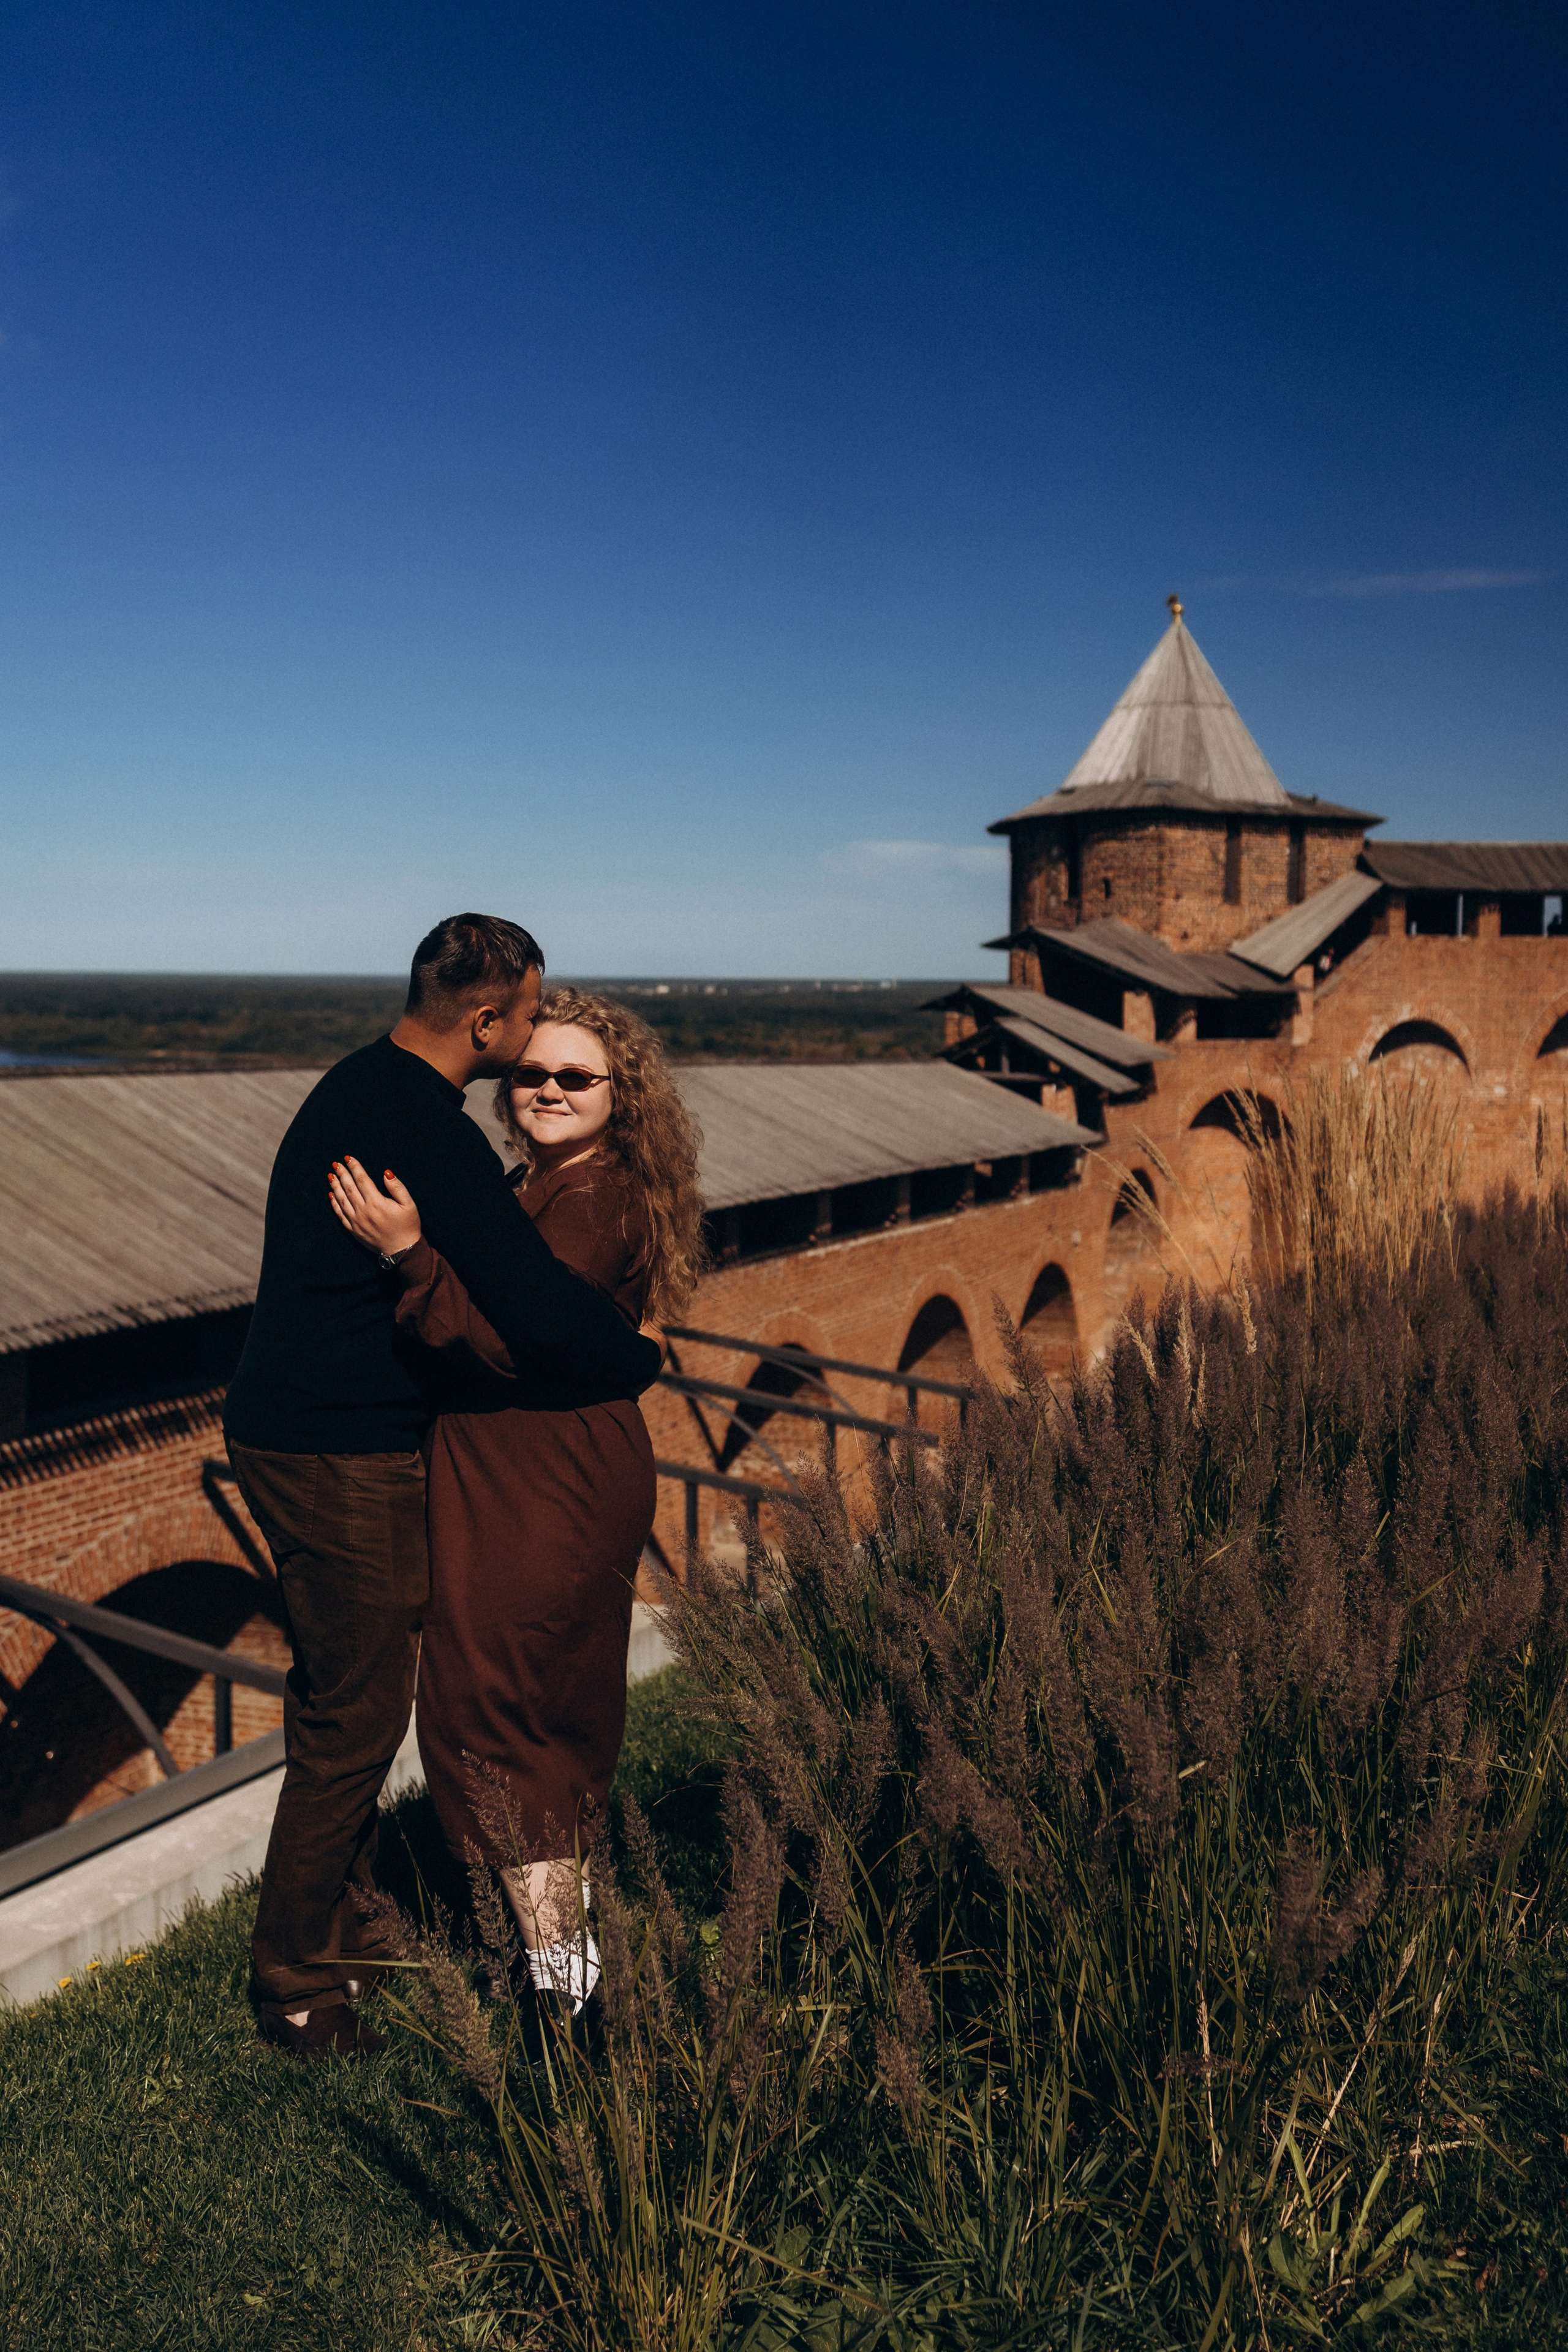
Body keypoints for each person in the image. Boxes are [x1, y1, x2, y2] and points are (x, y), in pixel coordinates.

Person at [224, 919, 663, 2060]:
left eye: (572, 1071)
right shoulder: (437, 1135)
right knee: (366, 1709)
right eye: (526, 1037)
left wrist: (593, 1336)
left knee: (453, 1714)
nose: (531, 1067)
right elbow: (547, 1323)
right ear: (485, 1021)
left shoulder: (362, 1087)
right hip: (342, 1451)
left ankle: (531, 1986)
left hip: (437, 1467)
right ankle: (299, 1982)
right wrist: (635, 1355)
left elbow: (537, 1314)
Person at [326, 986, 704, 2029]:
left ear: (621, 1096)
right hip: (520, 1469)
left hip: (544, 1476)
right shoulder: (545, 1183)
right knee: (533, 1706)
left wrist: (407, 1253)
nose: (546, 1088)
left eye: (576, 1077)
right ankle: (567, 1978)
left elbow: (510, 1340)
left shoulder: (594, 1197)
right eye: (531, 1072)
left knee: (502, 1709)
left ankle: (566, 1998)